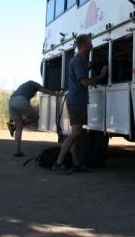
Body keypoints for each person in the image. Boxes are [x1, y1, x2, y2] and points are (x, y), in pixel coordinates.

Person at [53, 34, 107, 174]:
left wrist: (89, 67)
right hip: (77, 101)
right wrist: (101, 75)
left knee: (76, 135)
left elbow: (81, 75)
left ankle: (76, 164)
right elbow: (85, 82)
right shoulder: (77, 61)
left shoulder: (81, 60)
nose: (92, 45)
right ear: (83, 45)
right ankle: (58, 163)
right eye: (90, 43)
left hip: (77, 100)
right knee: (76, 133)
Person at [8, 80, 57, 157]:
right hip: (20, 100)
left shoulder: (24, 86)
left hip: (11, 101)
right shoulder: (35, 84)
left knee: (19, 127)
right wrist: (56, 95)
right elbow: (44, 90)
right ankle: (15, 126)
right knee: (36, 117)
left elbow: (20, 100)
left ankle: (17, 151)